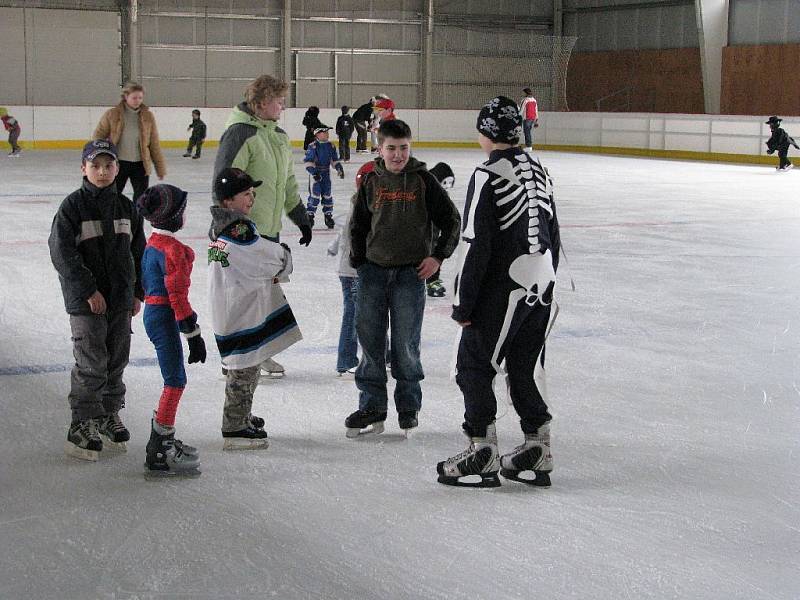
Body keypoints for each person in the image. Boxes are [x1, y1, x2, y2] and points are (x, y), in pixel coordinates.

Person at [436, 96, 561, 489]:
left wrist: (463, 304)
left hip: (503, 288)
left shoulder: (488, 174)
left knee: (473, 366)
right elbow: (553, 235)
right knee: (522, 367)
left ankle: (481, 449)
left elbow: (476, 244)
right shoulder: (539, 169)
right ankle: (537, 444)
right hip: (542, 285)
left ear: (486, 133)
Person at [344, 119, 461, 438]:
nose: (398, 155)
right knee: (370, 342)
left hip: (410, 275)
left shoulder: (423, 180)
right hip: (373, 274)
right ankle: (372, 405)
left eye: (404, 148)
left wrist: (438, 256)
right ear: (380, 149)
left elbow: (451, 220)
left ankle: (408, 407)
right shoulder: (371, 180)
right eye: (391, 148)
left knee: (406, 345)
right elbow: (359, 225)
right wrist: (360, 262)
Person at [48, 139, 145, 461]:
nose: (102, 172)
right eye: (95, 166)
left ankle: (107, 413)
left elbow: (138, 252)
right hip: (86, 301)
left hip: (119, 298)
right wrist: (88, 290)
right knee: (91, 363)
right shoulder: (73, 207)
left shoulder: (127, 207)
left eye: (109, 165)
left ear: (118, 168)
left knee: (116, 360)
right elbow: (63, 254)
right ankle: (82, 423)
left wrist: (136, 291)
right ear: (83, 168)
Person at [213, 74, 312, 379]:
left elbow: (288, 182)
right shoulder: (240, 133)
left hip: (268, 229)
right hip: (243, 232)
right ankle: (234, 355)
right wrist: (225, 224)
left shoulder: (279, 136)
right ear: (261, 103)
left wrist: (300, 216)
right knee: (242, 297)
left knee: (265, 293)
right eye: (279, 101)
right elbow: (224, 180)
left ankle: (261, 351)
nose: (283, 107)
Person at [209, 168, 301, 449]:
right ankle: (234, 427)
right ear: (228, 201)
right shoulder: (240, 229)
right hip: (241, 308)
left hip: (232, 304)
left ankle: (241, 415)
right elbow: (264, 257)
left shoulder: (220, 224)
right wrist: (284, 255)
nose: (252, 197)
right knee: (244, 368)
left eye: (252, 192)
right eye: (245, 194)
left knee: (244, 366)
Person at [136, 184, 205, 478]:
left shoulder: (153, 243)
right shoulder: (172, 251)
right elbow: (177, 296)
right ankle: (160, 449)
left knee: (174, 378)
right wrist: (193, 334)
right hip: (163, 315)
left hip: (155, 314)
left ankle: (162, 439)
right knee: (175, 380)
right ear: (174, 216)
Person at [327, 164, 375, 379]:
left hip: (357, 268)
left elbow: (344, 232)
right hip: (353, 271)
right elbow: (351, 234)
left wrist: (334, 245)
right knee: (354, 315)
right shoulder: (361, 205)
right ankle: (346, 361)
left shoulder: (364, 203)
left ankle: (385, 356)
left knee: (374, 312)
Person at [93, 81, 167, 202]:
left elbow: (154, 144)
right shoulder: (112, 114)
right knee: (112, 196)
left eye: (140, 97)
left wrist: (160, 168)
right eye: (134, 97)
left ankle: (137, 220)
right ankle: (112, 219)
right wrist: (101, 158)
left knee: (141, 200)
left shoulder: (148, 116)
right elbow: (98, 136)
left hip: (141, 165)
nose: (137, 100)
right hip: (118, 163)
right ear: (126, 97)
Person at [304, 126, 345, 229]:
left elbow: (334, 160)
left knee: (327, 195)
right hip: (316, 174)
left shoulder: (331, 146)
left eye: (327, 132)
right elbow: (308, 161)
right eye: (325, 132)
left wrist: (339, 168)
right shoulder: (313, 146)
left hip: (326, 173)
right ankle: (309, 216)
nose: (327, 134)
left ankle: (328, 216)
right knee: (315, 195)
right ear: (317, 135)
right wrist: (314, 173)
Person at [425, 162, 456, 298]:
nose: (447, 186)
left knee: (435, 254)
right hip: (424, 234)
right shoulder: (425, 191)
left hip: (436, 233)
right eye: (445, 182)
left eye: (450, 183)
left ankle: (432, 280)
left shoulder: (443, 197)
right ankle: (428, 280)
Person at [519, 87, 539, 152]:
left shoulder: (525, 100)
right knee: (528, 132)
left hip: (527, 118)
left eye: (523, 92)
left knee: (527, 132)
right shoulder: (534, 100)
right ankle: (529, 146)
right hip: (533, 118)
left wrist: (517, 117)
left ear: (525, 93)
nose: (522, 94)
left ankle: (529, 146)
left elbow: (521, 110)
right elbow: (536, 110)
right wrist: (536, 119)